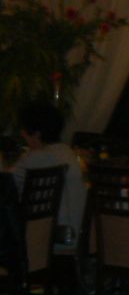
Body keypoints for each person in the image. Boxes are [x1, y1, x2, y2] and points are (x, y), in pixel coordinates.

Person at [8, 102, 85, 245]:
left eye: (24, 131)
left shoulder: (35, 159)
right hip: (74, 236)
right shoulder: (67, 152)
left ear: (37, 134)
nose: (22, 134)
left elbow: (5, 183)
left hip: (48, 240)